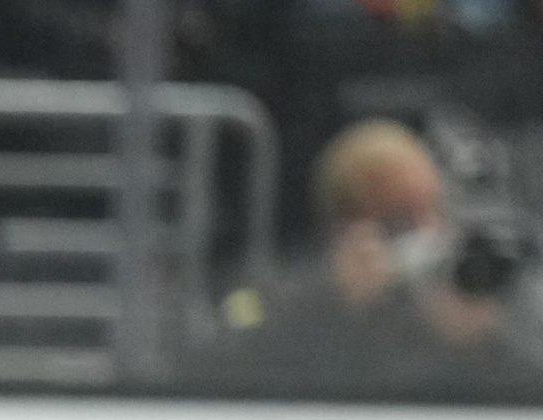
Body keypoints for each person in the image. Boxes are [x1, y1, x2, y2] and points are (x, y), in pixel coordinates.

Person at [209, 118, 538, 396]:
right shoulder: (284, 290)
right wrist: (329, 296)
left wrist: (479, 339)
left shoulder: (471, 280)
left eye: (433, 210)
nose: (426, 233)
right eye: (401, 219)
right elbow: (232, 330)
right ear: (345, 227)